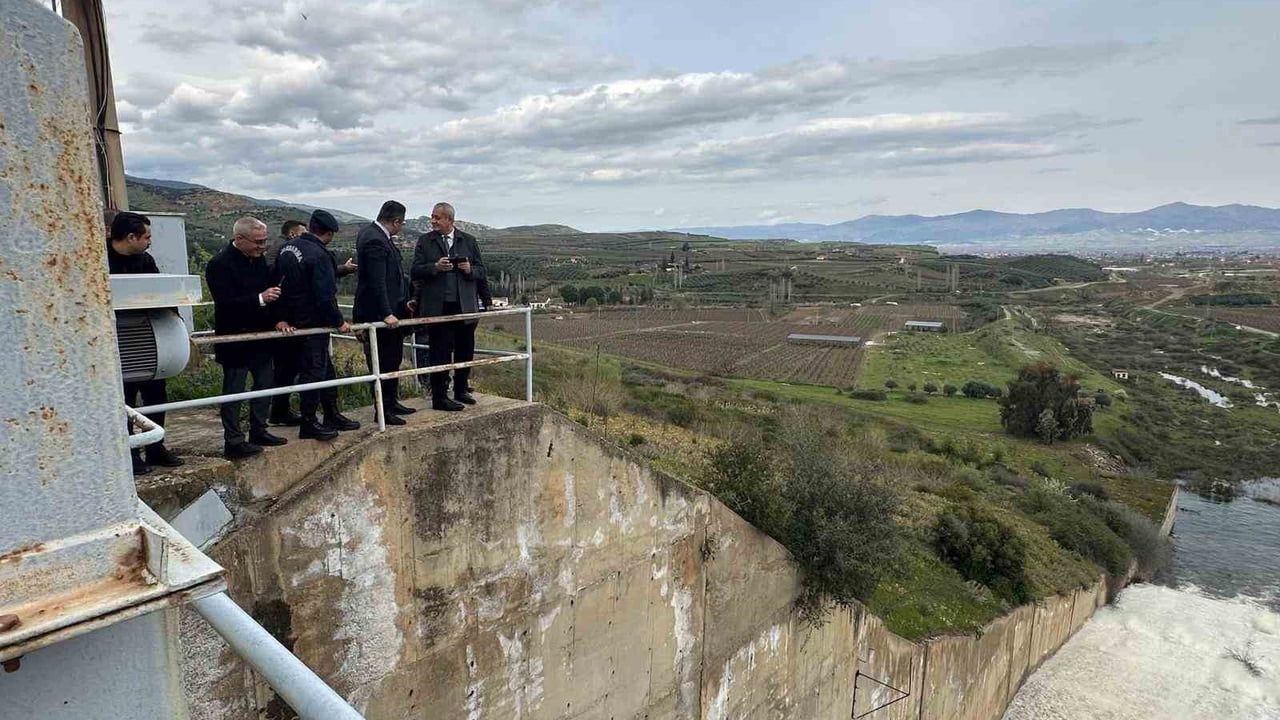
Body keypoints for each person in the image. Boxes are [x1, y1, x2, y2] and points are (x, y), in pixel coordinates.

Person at [205, 217, 290, 459]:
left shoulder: (258, 259)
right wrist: (260, 298)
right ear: (239, 239)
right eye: (258, 242)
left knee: (264, 385)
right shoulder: (219, 264)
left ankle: (259, 430)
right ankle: (233, 440)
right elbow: (225, 303)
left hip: (261, 338)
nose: (262, 247)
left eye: (264, 241)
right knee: (234, 392)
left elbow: (270, 291)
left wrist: (278, 319)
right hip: (235, 339)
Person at [271, 209, 358, 440]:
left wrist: (281, 317)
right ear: (329, 233)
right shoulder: (320, 255)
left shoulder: (287, 248)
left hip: (292, 323)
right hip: (312, 323)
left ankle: (330, 413)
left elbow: (276, 284)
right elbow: (325, 295)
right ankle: (309, 422)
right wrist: (339, 322)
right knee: (314, 372)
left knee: (321, 370)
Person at [108, 211, 184, 474]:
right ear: (131, 237)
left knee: (156, 394)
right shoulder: (101, 260)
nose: (150, 242)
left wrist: (174, 325)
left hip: (149, 341)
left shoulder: (145, 260)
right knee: (125, 399)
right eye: (147, 237)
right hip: (119, 342)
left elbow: (162, 295)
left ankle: (155, 447)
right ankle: (129, 453)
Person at [410, 202, 485, 411]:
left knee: (465, 349)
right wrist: (434, 267)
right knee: (439, 352)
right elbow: (415, 270)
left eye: (437, 217)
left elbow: (481, 271)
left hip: (464, 307)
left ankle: (461, 389)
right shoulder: (425, 241)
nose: (432, 221)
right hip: (438, 308)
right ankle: (440, 396)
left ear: (449, 220)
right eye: (432, 217)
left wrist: (470, 270)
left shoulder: (468, 241)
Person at [353, 201, 416, 425]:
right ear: (396, 221)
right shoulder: (375, 240)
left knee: (393, 359)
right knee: (383, 362)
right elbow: (376, 281)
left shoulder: (375, 235)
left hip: (392, 310)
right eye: (402, 223)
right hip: (380, 314)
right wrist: (386, 312)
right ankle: (383, 409)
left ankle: (391, 401)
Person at [267, 220, 307, 425]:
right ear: (292, 234)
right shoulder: (286, 252)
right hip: (285, 321)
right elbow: (279, 286)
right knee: (286, 369)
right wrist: (280, 317)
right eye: (302, 233)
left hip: (285, 319)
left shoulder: (279, 250)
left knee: (286, 369)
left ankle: (280, 410)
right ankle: (279, 411)